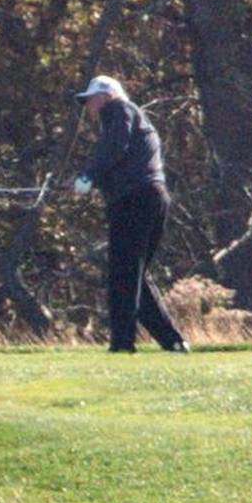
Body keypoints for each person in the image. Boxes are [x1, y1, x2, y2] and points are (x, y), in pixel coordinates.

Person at [73, 75, 189, 353]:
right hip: (150, 198)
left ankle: (122, 344)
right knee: (134, 274)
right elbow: (119, 158)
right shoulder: (131, 116)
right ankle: (173, 341)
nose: (89, 106)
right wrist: (91, 180)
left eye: (91, 99)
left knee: (123, 275)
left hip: (134, 200)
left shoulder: (119, 109)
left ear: (107, 95)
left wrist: (89, 175)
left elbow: (114, 147)